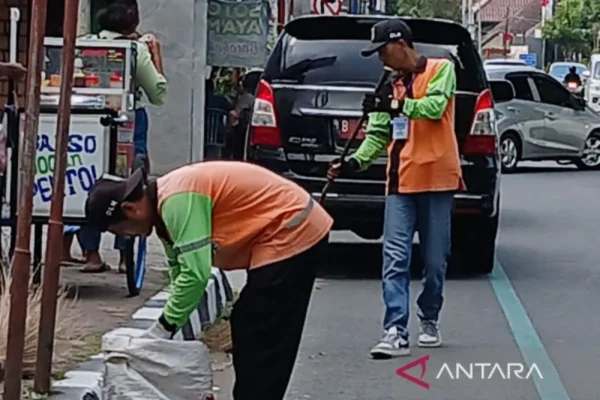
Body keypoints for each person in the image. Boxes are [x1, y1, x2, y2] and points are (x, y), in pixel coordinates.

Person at [84, 161, 333, 400]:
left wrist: (161, 330)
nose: (127, 236)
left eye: (119, 230)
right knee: (248, 321)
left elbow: (195, 275)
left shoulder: (176, 201)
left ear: (130, 209)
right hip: (281, 230)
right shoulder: (162, 212)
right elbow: (180, 274)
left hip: (293, 227)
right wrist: (166, 329)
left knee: (262, 326)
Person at [327, 19, 463, 358]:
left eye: (382, 51)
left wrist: (396, 105)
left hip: (437, 180)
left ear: (400, 44)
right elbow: (377, 136)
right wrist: (352, 163)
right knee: (395, 259)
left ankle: (429, 317)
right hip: (400, 182)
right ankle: (395, 330)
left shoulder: (441, 69)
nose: (380, 60)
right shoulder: (388, 87)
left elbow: (433, 109)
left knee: (434, 261)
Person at [77, 1, 167, 273]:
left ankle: (90, 253)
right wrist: (155, 55)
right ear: (134, 23)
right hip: (128, 122)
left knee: (85, 176)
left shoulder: (83, 44)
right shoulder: (136, 50)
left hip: (86, 122)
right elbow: (158, 93)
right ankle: (125, 257)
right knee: (127, 180)